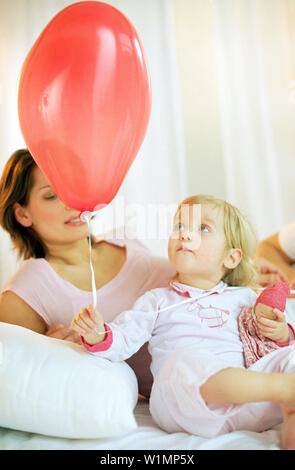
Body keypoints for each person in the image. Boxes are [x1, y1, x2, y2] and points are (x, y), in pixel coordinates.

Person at [71, 194, 295, 449]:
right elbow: (123, 339)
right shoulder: (156, 300)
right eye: (179, 226)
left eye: (203, 228)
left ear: (231, 258)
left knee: (291, 356)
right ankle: (285, 389)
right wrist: (97, 333)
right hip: (188, 407)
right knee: (179, 365)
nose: (185, 235)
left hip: (250, 400)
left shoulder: (243, 297)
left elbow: (267, 342)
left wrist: (279, 332)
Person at [0, 148, 175, 398]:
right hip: (187, 391)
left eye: (72, 188)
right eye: (51, 195)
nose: (70, 202)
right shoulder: (25, 290)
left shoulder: (124, 239)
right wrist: (54, 355)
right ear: (22, 214)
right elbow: (15, 379)